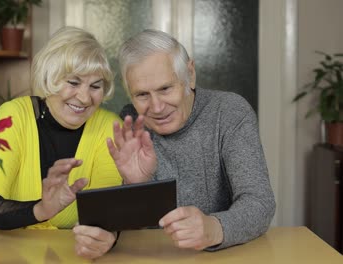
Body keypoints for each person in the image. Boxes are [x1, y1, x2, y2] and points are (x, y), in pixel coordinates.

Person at [73, 29, 276, 256]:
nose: (157, 107)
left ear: (190, 74)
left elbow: (260, 202)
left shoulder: (229, 112)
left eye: (165, 89)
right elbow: (120, 222)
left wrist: (214, 227)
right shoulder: (129, 123)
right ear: (129, 92)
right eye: (142, 95)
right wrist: (132, 186)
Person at [0, 26, 124, 245]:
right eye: (73, 82)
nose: (85, 98)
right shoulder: (14, 116)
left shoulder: (109, 127)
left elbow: (105, 214)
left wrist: (107, 238)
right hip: (1, 251)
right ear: (50, 76)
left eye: (95, 86)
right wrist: (41, 210)